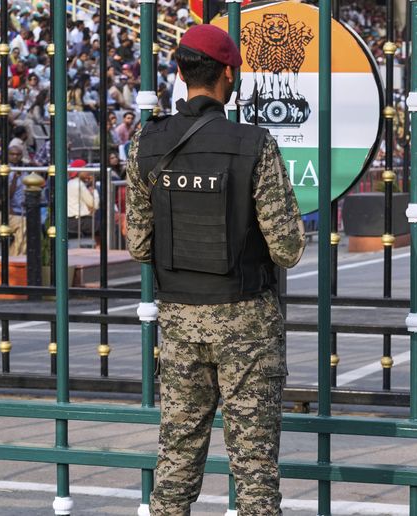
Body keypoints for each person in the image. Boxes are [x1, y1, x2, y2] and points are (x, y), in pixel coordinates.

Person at [125, 24, 305, 515]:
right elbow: (288, 247)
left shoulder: (147, 142)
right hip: (246, 320)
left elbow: (138, 243)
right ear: (230, 73)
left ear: (180, 71)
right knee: (255, 475)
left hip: (180, 320)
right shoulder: (254, 144)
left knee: (176, 468)